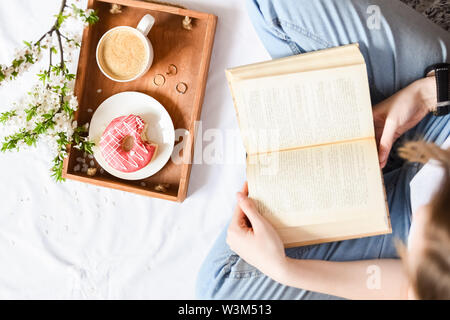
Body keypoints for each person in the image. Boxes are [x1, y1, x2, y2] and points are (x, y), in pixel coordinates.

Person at [196, 0, 450, 299]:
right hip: (440, 116)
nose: (425, 214)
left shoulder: (427, 259)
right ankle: (345, 100)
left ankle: (341, 104)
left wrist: (285, 269)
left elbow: (409, 287)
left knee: (220, 293)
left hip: (398, 216)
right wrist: (427, 94)